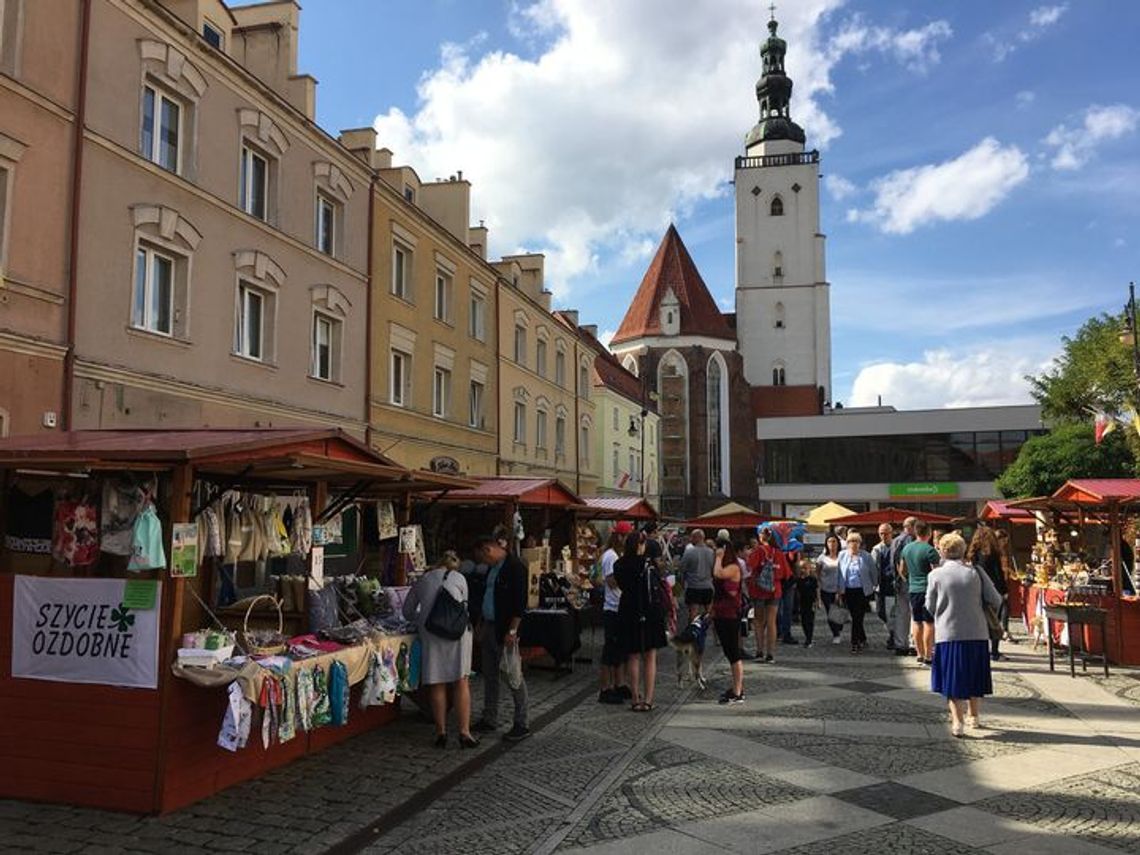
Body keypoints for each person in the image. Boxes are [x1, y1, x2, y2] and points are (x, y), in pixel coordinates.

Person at [926, 532, 1002, 737]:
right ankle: (974, 716)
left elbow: (929, 606)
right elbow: (996, 599)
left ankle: (957, 722)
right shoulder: (975, 572)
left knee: (952, 678)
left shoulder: (935, 575)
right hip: (976, 632)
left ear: (942, 550)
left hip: (948, 633)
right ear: (962, 550)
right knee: (974, 675)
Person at [402, 551, 479, 749]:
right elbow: (464, 607)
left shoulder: (423, 580)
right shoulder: (460, 578)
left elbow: (407, 612)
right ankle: (464, 732)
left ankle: (441, 732)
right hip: (457, 634)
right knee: (461, 681)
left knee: (437, 682)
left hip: (432, 633)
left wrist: (423, 614)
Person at [472, 534, 530, 741]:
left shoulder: (515, 566)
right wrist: (480, 623)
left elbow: (520, 602)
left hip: (505, 629)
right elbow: (486, 596)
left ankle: (521, 722)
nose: (483, 562)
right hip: (489, 625)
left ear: (489, 549)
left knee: (512, 675)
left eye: (482, 557)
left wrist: (512, 630)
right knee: (489, 674)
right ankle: (489, 717)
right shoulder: (492, 568)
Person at [615, 531, 667, 711]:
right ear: (640, 545)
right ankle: (649, 699)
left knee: (633, 655)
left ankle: (635, 698)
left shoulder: (619, 564)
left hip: (628, 610)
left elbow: (622, 586)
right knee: (650, 656)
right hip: (650, 611)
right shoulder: (648, 564)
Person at [598, 525, 631, 704]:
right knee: (610, 650)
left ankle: (619, 683)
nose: (626, 540)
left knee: (620, 649)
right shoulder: (611, 556)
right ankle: (605, 688)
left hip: (621, 607)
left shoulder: (619, 555)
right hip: (612, 608)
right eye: (625, 536)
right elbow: (612, 582)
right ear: (618, 537)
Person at [748, 527, 791, 662]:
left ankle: (759, 651)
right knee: (772, 622)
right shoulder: (778, 553)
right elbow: (787, 574)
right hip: (774, 589)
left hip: (758, 590)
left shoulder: (757, 552)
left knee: (759, 621)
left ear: (761, 537)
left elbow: (749, 568)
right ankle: (770, 654)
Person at [901, 520, 941, 666]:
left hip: (913, 589)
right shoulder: (930, 550)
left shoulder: (907, 549)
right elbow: (936, 572)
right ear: (929, 533)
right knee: (929, 622)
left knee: (916, 621)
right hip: (928, 589)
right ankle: (928, 655)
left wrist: (910, 579)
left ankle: (919, 654)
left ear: (915, 532)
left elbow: (902, 570)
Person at [711, 535, 745, 704]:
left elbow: (717, 574)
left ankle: (738, 691)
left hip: (731, 614)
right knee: (729, 651)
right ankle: (736, 687)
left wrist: (718, 558)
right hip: (721, 614)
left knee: (733, 652)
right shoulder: (728, 565)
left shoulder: (733, 567)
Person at [967, 526, 1007, 661]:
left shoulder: (974, 553)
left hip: (977, 588)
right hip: (993, 588)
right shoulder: (993, 552)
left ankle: (982, 649)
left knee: (981, 621)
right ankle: (994, 651)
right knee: (994, 620)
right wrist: (1004, 590)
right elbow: (998, 573)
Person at [837, 531, 875, 653]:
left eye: (856, 541)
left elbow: (873, 572)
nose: (853, 544)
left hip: (862, 591)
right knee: (856, 617)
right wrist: (838, 590)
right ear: (847, 543)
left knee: (858, 617)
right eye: (851, 541)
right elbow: (838, 573)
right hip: (848, 591)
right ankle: (862, 638)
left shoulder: (866, 556)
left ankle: (855, 642)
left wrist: (874, 586)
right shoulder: (842, 555)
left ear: (860, 543)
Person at [890, 517, 917, 656]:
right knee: (913, 614)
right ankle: (913, 644)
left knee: (901, 614)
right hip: (912, 581)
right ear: (912, 526)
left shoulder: (895, 541)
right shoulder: (912, 541)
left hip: (899, 581)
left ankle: (900, 644)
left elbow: (892, 563)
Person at [871, 523, 898, 649]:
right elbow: (872, 568)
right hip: (879, 586)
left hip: (892, 585)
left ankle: (893, 636)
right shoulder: (876, 549)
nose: (884, 536)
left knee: (891, 612)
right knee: (880, 612)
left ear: (891, 533)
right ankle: (892, 632)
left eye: (886, 533)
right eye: (881, 533)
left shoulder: (897, 547)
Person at [680, 529, 715, 622]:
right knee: (709, 611)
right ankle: (708, 630)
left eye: (692, 537)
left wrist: (683, 582)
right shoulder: (711, 552)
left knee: (693, 612)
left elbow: (682, 568)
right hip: (708, 586)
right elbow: (713, 569)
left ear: (697, 538)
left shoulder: (689, 552)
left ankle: (693, 632)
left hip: (693, 586)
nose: (691, 539)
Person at [816, 534, 843, 644]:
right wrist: (818, 589)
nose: (832, 544)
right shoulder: (822, 558)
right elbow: (817, 574)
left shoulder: (842, 556)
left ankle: (838, 627)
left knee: (838, 612)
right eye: (829, 542)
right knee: (830, 613)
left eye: (834, 542)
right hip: (825, 589)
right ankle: (835, 634)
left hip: (839, 588)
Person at [795, 556, 820, 648]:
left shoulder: (812, 579)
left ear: (809, 569)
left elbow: (817, 590)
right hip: (802, 603)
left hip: (811, 602)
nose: (803, 570)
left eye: (805, 568)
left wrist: (818, 601)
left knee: (810, 621)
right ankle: (807, 636)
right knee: (804, 621)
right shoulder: (798, 580)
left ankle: (809, 638)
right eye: (801, 568)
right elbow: (797, 592)